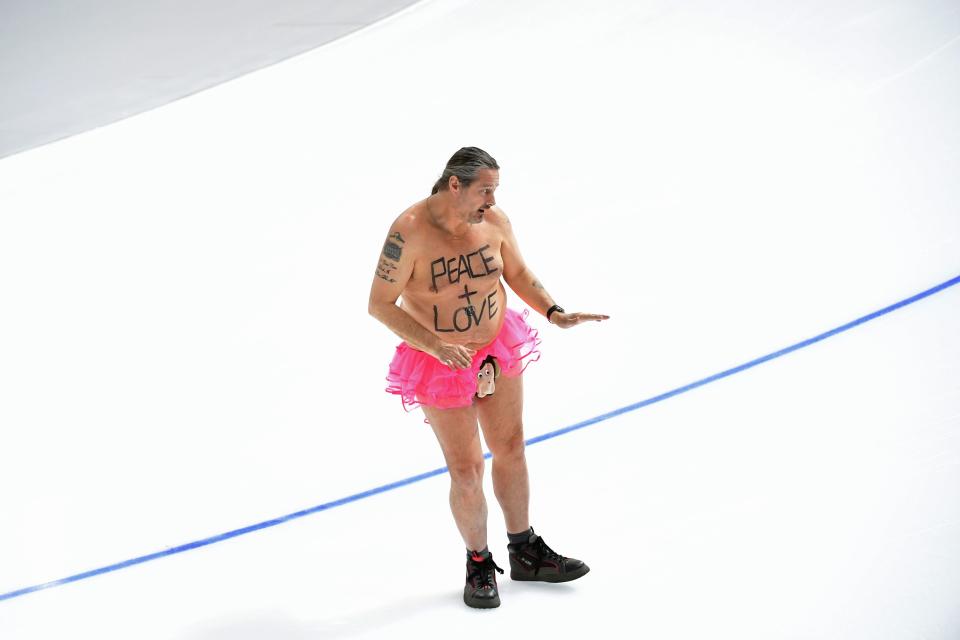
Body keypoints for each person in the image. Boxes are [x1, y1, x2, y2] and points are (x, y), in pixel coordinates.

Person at [368, 147, 609, 609]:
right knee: (465, 469)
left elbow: (515, 270)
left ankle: (525, 550)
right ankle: (478, 563)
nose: (492, 200)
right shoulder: (409, 232)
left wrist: (554, 312)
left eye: (494, 190)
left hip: (495, 347)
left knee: (511, 447)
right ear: (454, 184)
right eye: (485, 189)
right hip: (440, 359)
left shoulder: (494, 221)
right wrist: (435, 345)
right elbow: (379, 304)